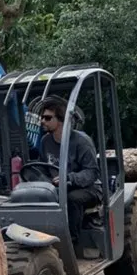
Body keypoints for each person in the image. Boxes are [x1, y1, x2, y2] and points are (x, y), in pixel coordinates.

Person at [38, 98, 103, 246]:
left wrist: (69, 178)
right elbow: (42, 167)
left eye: (47, 118)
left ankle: (71, 242)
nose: (42, 121)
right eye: (42, 117)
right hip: (57, 188)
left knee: (71, 198)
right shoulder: (45, 141)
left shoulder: (81, 141)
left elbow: (92, 172)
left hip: (88, 188)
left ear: (61, 120)